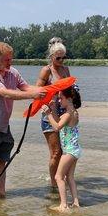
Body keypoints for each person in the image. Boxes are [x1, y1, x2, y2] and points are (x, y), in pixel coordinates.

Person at [0, 42, 46, 205]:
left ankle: (1, 193)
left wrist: (48, 92)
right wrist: (32, 96)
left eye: (11, 59)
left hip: (3, 127)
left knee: (1, 161)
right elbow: (5, 94)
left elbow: (26, 87)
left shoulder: (12, 72)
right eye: (7, 60)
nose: (10, 63)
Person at [36, 37, 71, 193]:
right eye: (58, 58)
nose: (61, 60)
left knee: (65, 151)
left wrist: (72, 108)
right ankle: (53, 184)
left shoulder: (65, 70)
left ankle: (59, 177)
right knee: (56, 152)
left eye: (64, 57)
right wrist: (46, 103)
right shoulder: (46, 70)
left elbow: (69, 91)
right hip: (49, 115)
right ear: (51, 57)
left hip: (64, 114)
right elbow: (37, 92)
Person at [42, 86, 82, 212]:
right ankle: (75, 202)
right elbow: (60, 121)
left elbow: (57, 127)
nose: (59, 101)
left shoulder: (68, 114)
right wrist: (53, 110)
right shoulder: (74, 112)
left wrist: (48, 114)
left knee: (58, 177)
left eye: (61, 98)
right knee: (70, 177)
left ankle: (63, 205)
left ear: (69, 99)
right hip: (75, 150)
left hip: (69, 151)